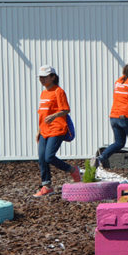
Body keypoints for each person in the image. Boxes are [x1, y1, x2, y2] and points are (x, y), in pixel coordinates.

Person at [35, 65, 79, 197]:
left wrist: (54, 116)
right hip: (44, 130)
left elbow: (66, 109)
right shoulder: (44, 93)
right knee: (42, 158)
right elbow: (43, 114)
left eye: (45, 77)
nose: (42, 79)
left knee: (49, 157)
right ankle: (47, 186)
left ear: (53, 77)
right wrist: (38, 130)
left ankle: (72, 170)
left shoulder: (58, 91)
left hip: (57, 128)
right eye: (40, 77)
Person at [96, 58, 128, 169]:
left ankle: (101, 158)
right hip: (127, 116)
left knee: (119, 143)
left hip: (114, 116)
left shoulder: (119, 81)